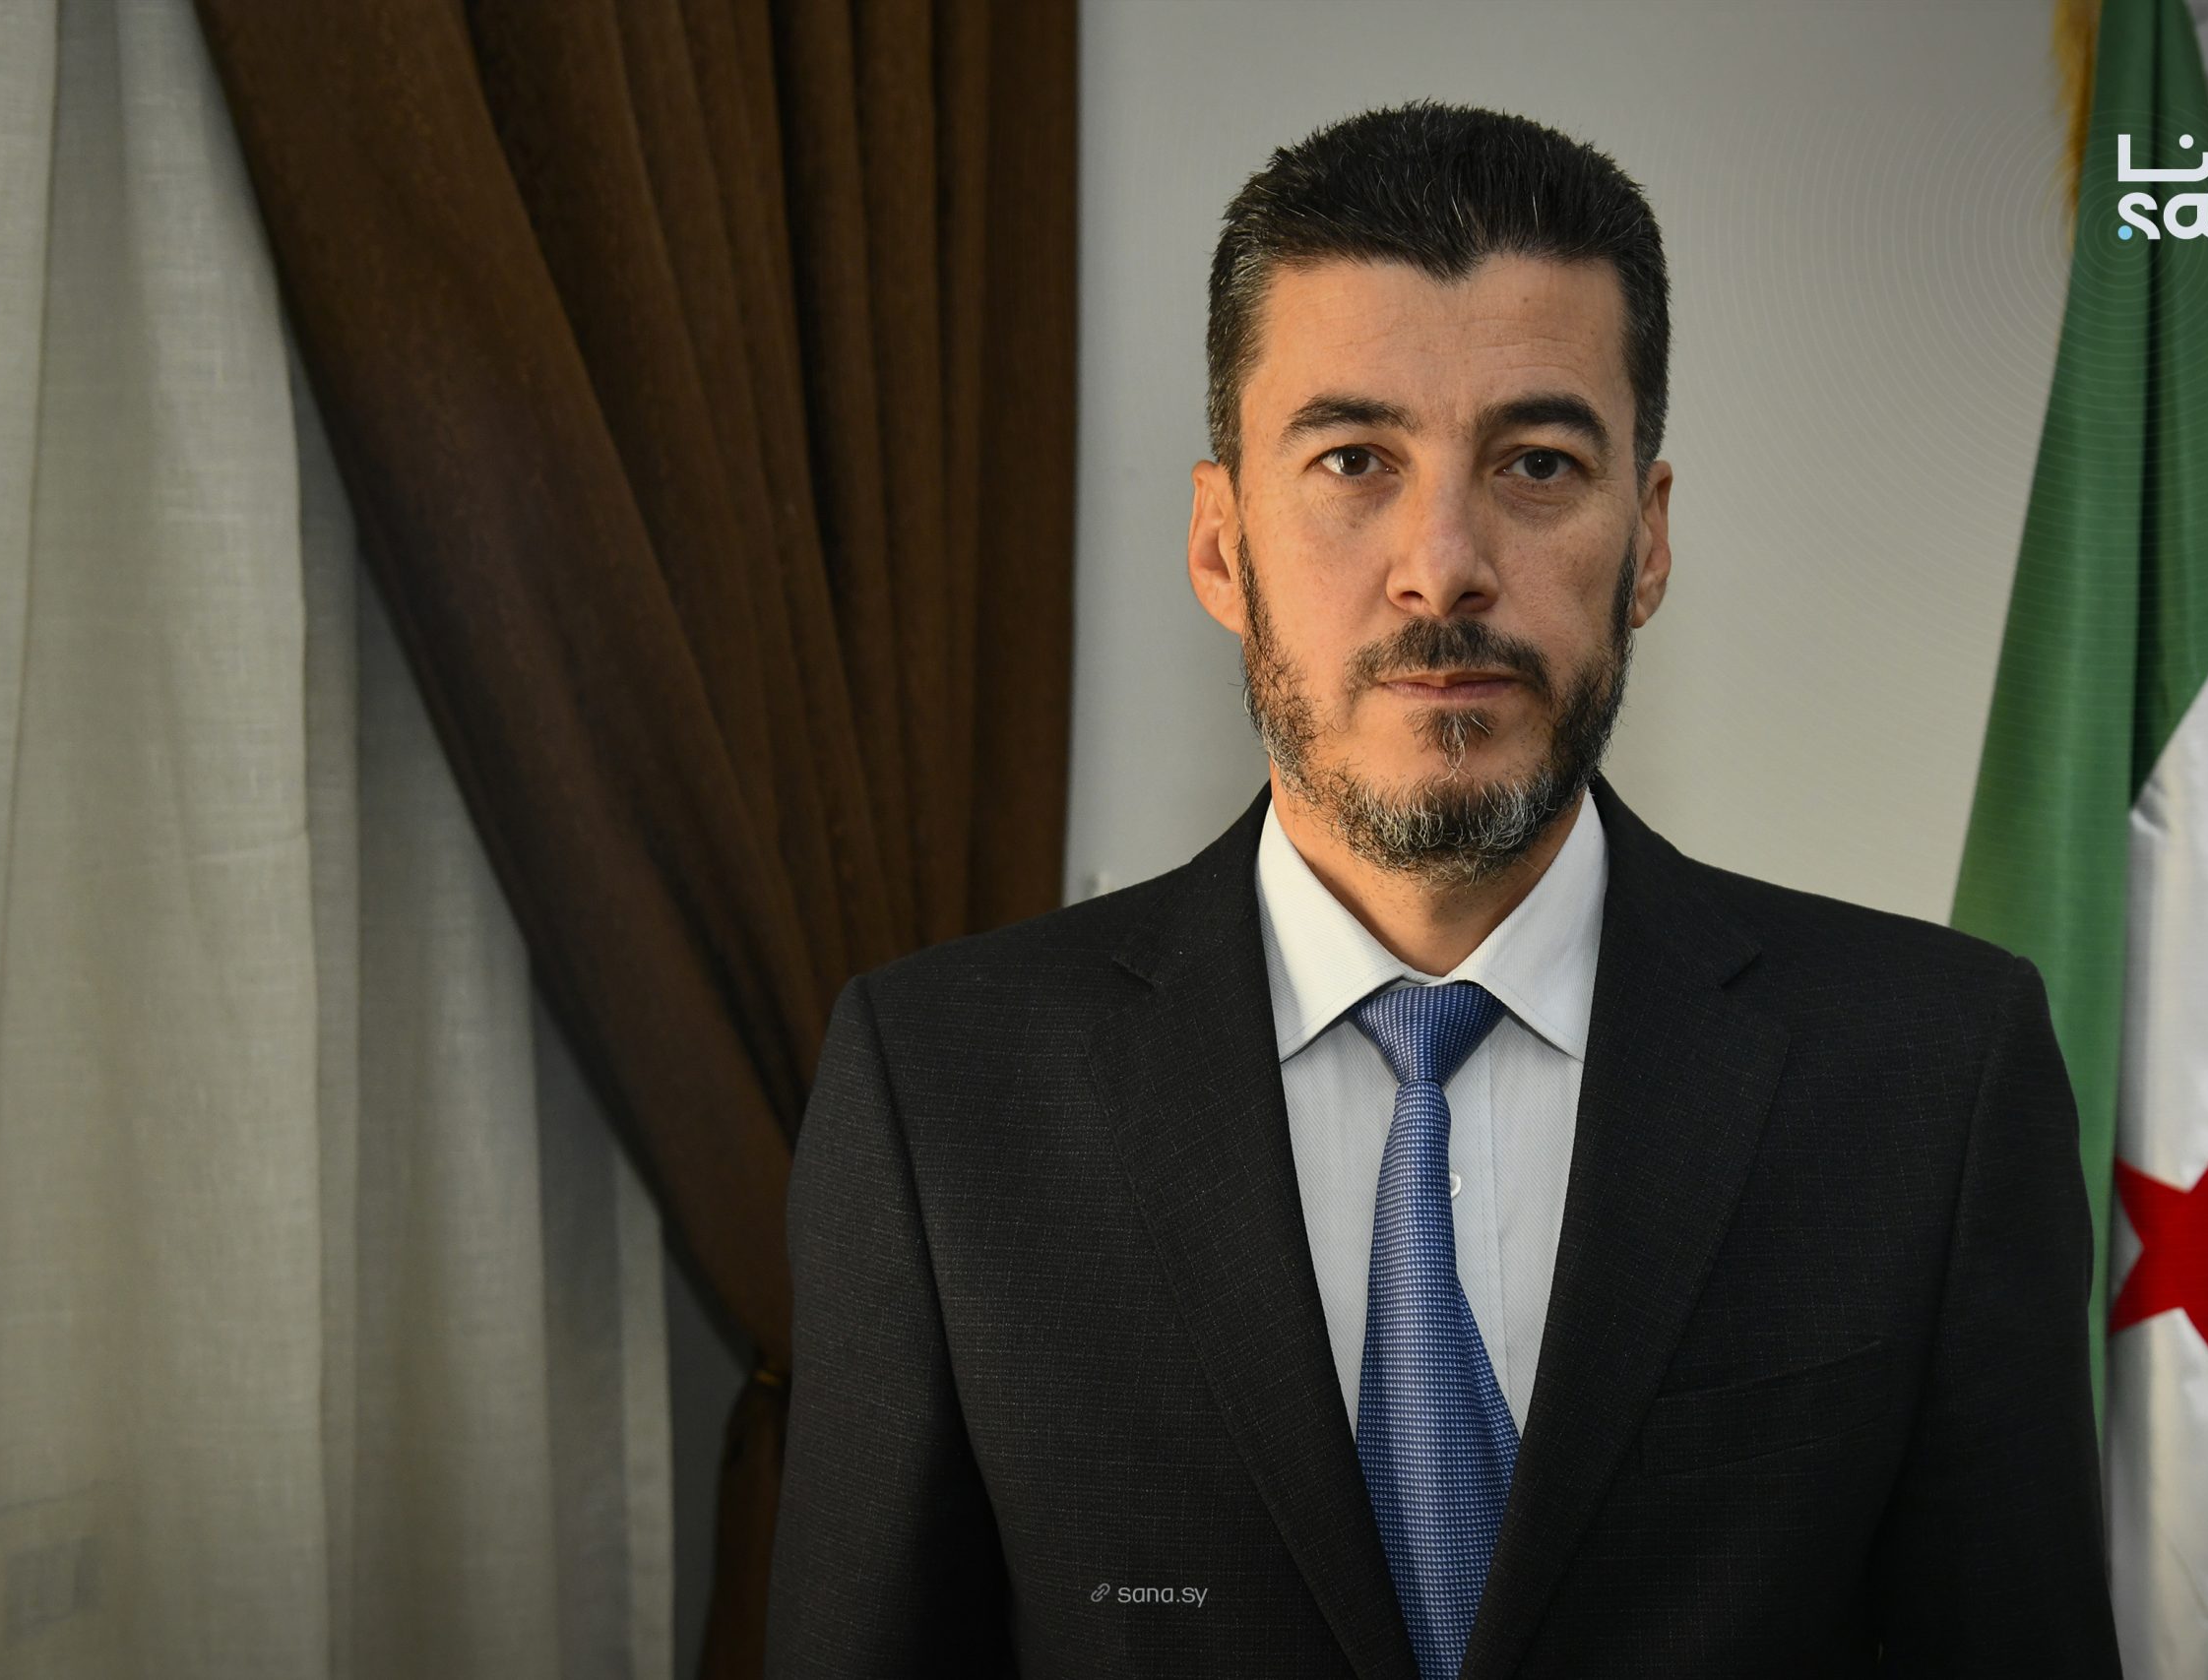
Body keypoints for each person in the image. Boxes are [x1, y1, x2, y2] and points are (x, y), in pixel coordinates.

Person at [761, 101, 2119, 1679]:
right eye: (1354, 460)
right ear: (1220, 545)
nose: (1443, 563)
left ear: (1647, 542)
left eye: (1537, 464)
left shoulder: (1934, 1075)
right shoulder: (940, 1095)